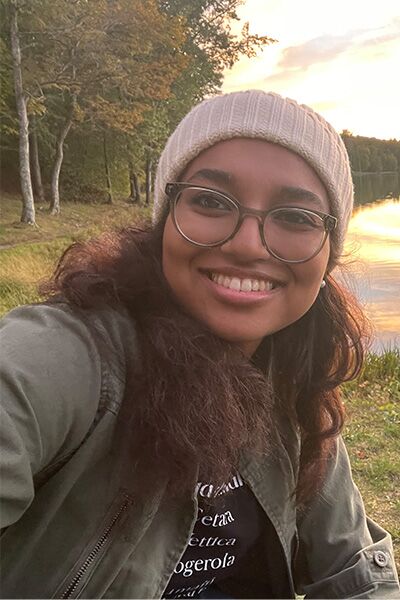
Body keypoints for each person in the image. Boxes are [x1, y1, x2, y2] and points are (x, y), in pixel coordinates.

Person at [0, 90, 399, 600]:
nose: (247, 244)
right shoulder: (65, 357)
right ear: (165, 222)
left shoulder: (291, 383)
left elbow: (352, 568)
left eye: (296, 217)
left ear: (328, 258)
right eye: (210, 201)